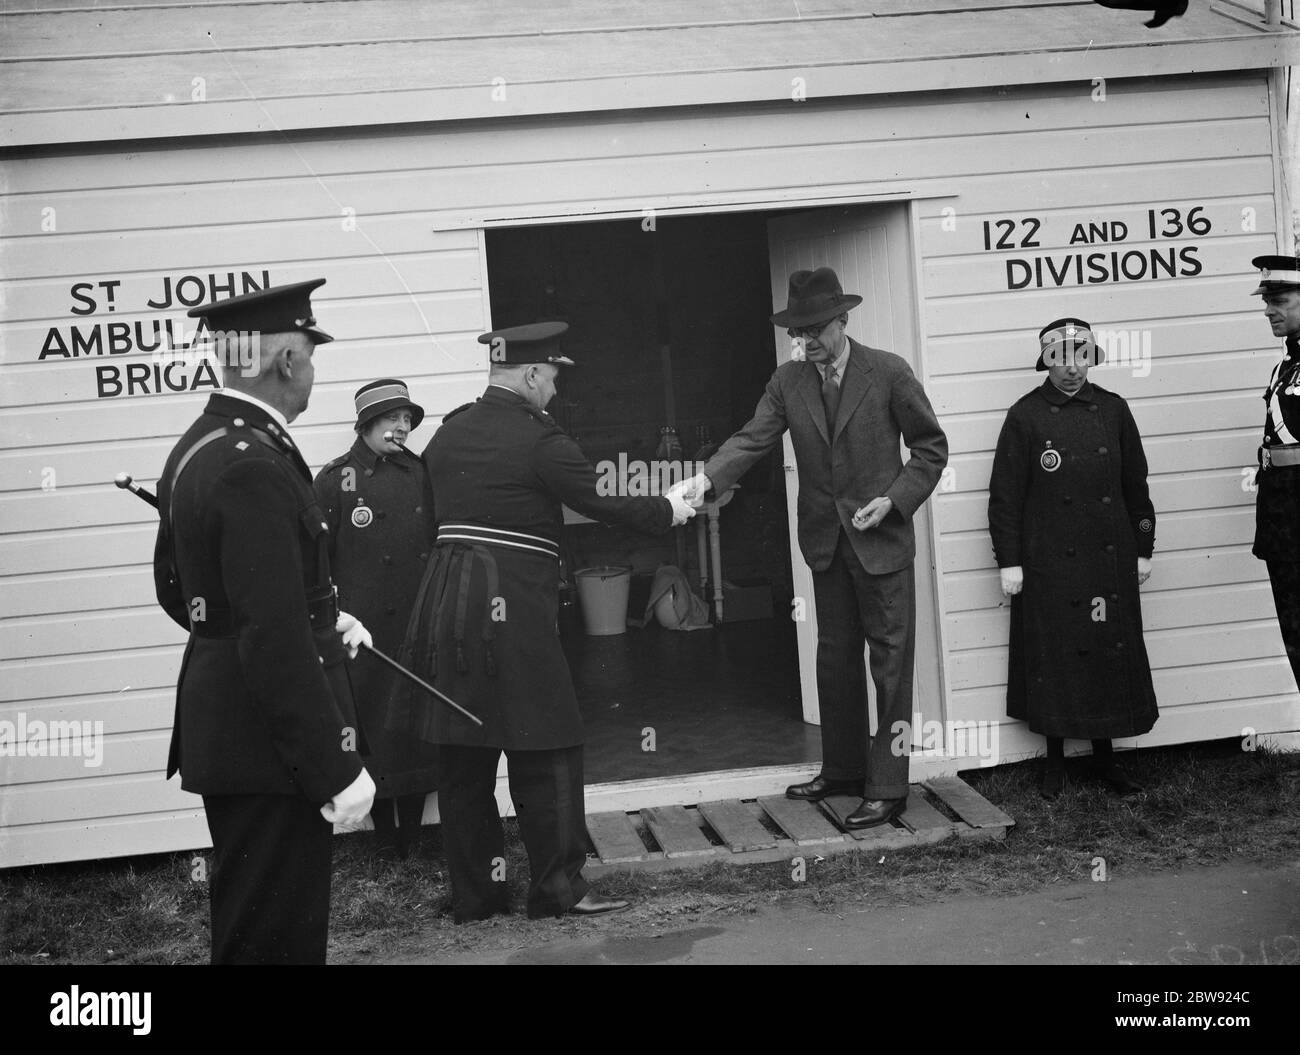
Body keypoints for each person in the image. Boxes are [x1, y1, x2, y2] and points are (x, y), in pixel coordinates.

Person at [390, 321, 697, 922]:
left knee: (462, 756)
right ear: (531, 375)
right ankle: (558, 891)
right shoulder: (541, 440)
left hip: (446, 609)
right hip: (513, 613)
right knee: (550, 742)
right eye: (552, 379)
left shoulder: (446, 437)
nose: (555, 393)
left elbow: (425, 522)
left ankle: (475, 898)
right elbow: (599, 501)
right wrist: (670, 507)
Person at [672, 267, 948, 829]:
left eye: (817, 329)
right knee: (834, 659)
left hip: (882, 542)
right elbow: (752, 438)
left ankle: (889, 785)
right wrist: (704, 483)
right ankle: (843, 769)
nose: (807, 341)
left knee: (890, 666)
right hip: (825, 543)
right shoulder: (788, 381)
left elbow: (930, 449)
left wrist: (894, 501)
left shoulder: (889, 372)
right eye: (799, 332)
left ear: (844, 320)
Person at [153, 279, 376, 963]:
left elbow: (178, 590)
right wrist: (336, 768)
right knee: (276, 942)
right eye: (311, 353)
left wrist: (314, 613)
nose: (312, 370)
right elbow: (272, 643)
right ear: (285, 361)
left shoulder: (202, 443)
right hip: (269, 747)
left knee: (255, 930)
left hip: (235, 735)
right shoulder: (253, 463)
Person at [987, 318, 1158, 800]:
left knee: (1107, 653)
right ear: (1047, 363)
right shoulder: (1025, 415)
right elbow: (1005, 497)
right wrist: (1010, 561)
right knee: (1055, 657)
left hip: (1108, 560)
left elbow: (1136, 488)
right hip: (1050, 564)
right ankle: (1055, 762)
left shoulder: (1113, 409)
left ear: (1091, 358)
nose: (1072, 369)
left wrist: (1143, 547)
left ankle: (1107, 760)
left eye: (1081, 357)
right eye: (1061, 359)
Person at [314, 379, 439, 860]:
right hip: (362, 630)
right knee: (374, 723)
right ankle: (383, 835)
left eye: (407, 420)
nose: (401, 428)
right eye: (392, 419)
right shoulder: (335, 478)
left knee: (413, 725)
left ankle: (412, 830)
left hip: (416, 617)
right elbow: (316, 560)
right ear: (367, 425)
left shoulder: (419, 472)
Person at [1249, 254, 1300, 689]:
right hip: (1284, 519)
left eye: (1280, 299)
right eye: (1268, 301)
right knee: (1295, 634)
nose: (1269, 310)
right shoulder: (1286, 364)